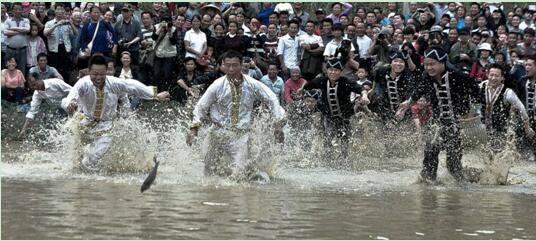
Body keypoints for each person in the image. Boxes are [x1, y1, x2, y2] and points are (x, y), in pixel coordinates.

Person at [186, 50, 285, 181]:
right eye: (228, 65)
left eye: (235, 65)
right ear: (223, 66)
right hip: (217, 133)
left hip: (240, 136)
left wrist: (278, 123)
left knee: (240, 175)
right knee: (208, 172)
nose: (231, 69)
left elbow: (271, 98)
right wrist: (194, 129)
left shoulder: (252, 83)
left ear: (241, 65)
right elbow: (201, 107)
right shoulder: (217, 85)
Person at [62, 55, 170, 172]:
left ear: (106, 72)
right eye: (95, 74)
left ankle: (88, 178)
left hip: (106, 126)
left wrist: (154, 95)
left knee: (93, 158)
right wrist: (71, 103)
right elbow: (72, 95)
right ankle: (76, 172)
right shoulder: (83, 83)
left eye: (102, 74)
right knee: (76, 155)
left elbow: (132, 85)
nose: (98, 78)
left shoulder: (113, 83)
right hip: (85, 122)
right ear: (89, 72)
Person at [397, 47, 481, 183]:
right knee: (430, 151)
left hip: (456, 123)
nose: (429, 67)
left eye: (432, 64)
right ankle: (428, 184)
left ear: (442, 63)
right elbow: (419, 91)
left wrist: (473, 111)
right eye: (426, 64)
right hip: (437, 121)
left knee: (453, 164)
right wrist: (407, 104)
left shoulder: (457, 76)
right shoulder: (427, 77)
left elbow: (476, 91)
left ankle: (464, 186)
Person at [301, 58, 369, 161]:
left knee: (345, 141)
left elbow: (360, 88)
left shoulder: (345, 82)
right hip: (328, 117)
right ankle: (328, 161)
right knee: (327, 139)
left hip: (345, 117)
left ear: (340, 72)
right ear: (327, 70)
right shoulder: (321, 81)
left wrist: (364, 96)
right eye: (330, 70)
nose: (333, 72)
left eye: (336, 70)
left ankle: (345, 161)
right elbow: (307, 87)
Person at [480, 63, 534, 151]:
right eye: (491, 75)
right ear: (487, 75)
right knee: (484, 150)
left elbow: (522, 108)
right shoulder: (481, 86)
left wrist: (527, 127)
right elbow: (472, 102)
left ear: (502, 77)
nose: (493, 78)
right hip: (483, 125)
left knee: (497, 151)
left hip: (501, 128)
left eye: (497, 76)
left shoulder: (508, 93)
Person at [18, 72, 72, 139]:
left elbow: (73, 91)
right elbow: (32, 111)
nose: (35, 88)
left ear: (40, 79)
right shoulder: (37, 94)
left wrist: (72, 103)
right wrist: (24, 129)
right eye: (32, 86)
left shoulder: (55, 82)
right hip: (57, 110)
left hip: (70, 104)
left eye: (35, 84)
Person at [514, 56, 536, 161]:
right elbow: (516, 99)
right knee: (520, 147)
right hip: (524, 118)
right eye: (526, 65)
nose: (527, 67)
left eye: (530, 65)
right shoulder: (521, 81)